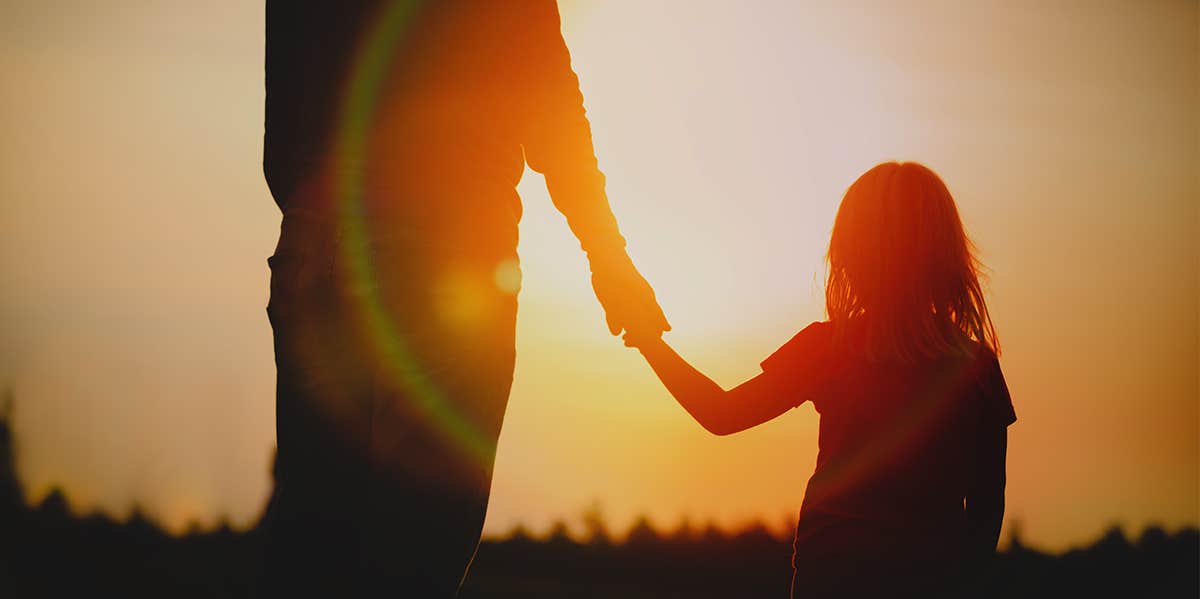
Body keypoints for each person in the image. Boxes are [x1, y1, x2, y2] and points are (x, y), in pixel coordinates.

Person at [261, 1, 668, 597]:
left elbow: (288, 111)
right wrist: (608, 259)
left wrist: (306, 221)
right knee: (416, 549)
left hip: (319, 246)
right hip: (453, 255)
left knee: (315, 549)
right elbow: (550, 106)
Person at [624, 162, 1015, 598]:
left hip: (832, 578)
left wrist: (648, 343)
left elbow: (721, 413)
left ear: (853, 252)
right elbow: (985, 514)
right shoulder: (976, 367)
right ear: (946, 253)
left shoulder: (830, 348)